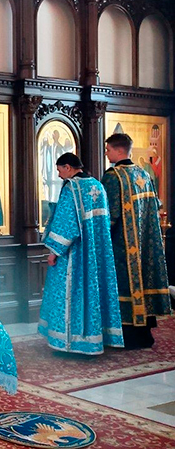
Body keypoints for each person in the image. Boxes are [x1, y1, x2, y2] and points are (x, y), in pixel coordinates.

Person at [39, 153, 123, 354]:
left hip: (74, 255)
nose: (59, 175)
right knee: (93, 292)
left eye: (60, 170)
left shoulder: (72, 188)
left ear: (68, 167)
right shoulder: (97, 185)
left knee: (71, 293)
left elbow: (67, 226)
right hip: (97, 253)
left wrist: (53, 252)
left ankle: (71, 342)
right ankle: (95, 339)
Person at [102, 133, 170, 349]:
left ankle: (125, 336)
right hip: (145, 244)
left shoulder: (113, 176)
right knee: (142, 280)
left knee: (123, 284)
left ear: (119, 150)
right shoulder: (143, 173)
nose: (106, 153)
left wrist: (99, 239)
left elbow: (109, 215)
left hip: (121, 245)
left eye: (108, 150)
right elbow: (156, 205)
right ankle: (144, 334)